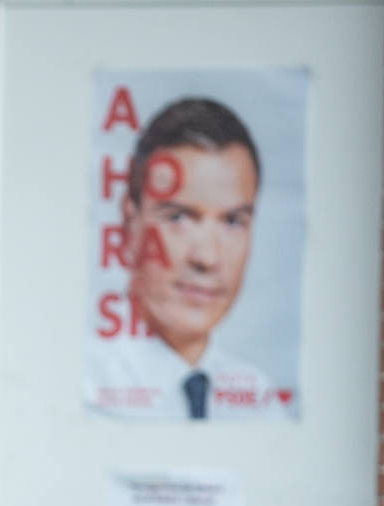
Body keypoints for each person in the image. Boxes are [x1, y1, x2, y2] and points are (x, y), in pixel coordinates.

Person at [87, 96, 291, 420]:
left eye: (233, 221)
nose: (207, 257)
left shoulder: (260, 401)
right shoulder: (84, 388)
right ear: (129, 225)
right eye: (178, 218)